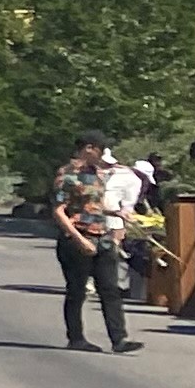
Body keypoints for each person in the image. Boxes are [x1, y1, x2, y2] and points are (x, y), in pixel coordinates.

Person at [56, 135, 137, 356]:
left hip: (102, 237)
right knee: (77, 290)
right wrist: (78, 239)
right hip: (77, 239)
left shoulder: (97, 174)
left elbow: (93, 206)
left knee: (110, 290)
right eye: (101, 150)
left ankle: (119, 339)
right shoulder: (68, 175)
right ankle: (76, 338)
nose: (102, 154)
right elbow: (59, 211)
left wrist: (116, 213)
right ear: (88, 148)